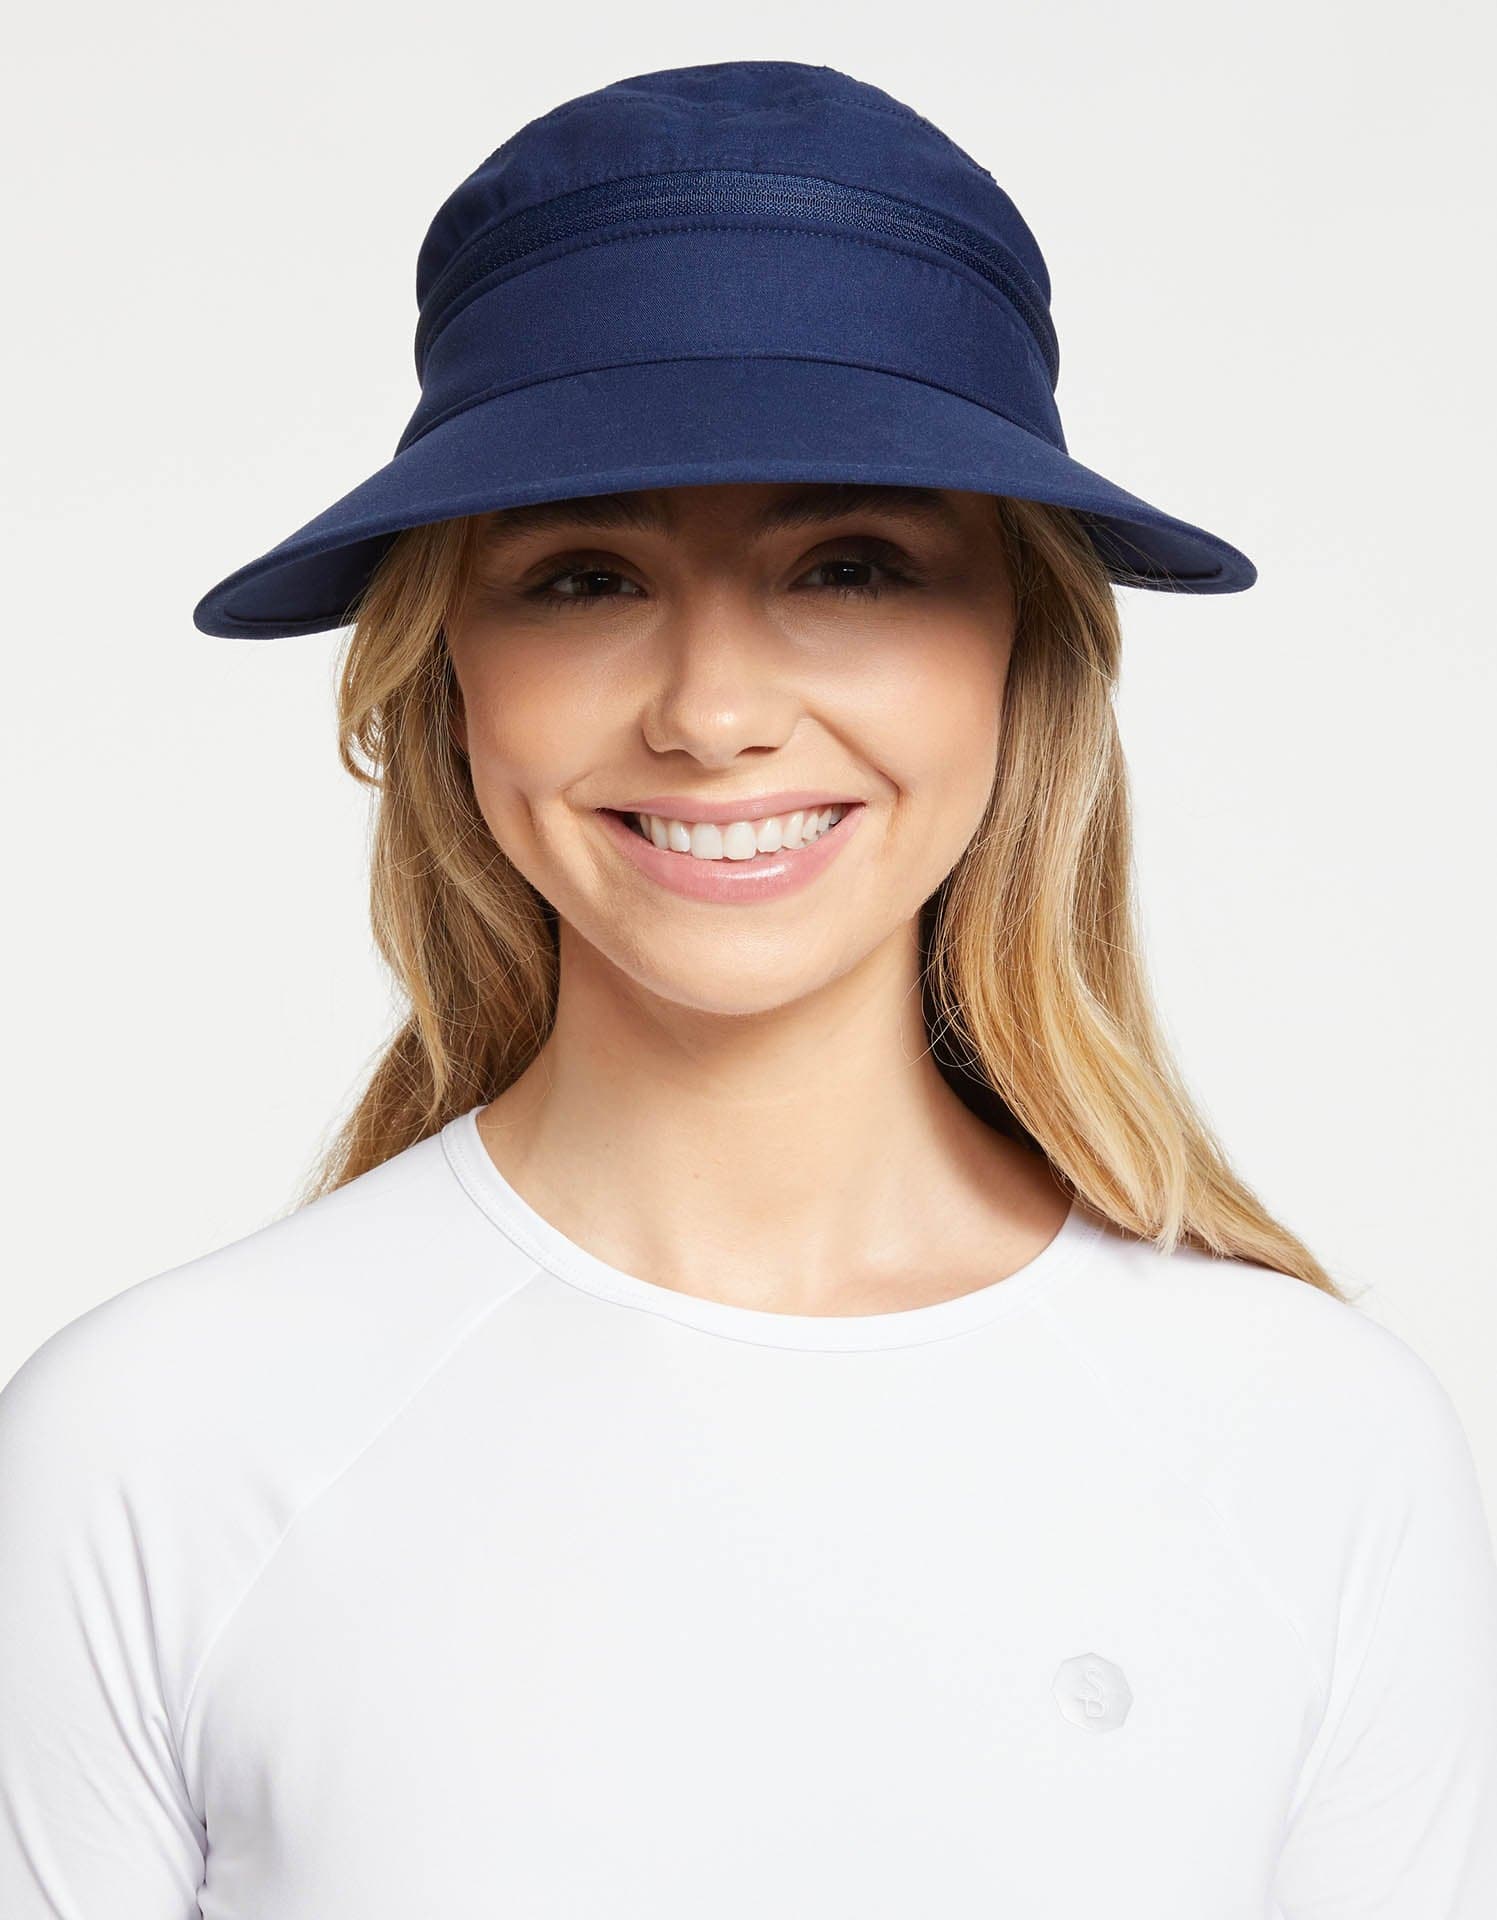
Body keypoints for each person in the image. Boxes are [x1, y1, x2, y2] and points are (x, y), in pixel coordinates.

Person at [2, 59, 1494, 1920]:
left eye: (849, 566)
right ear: (444, 675)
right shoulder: (152, 1446)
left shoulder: (1315, 1446)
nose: (711, 713)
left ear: (1019, 655)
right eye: (581, 577)